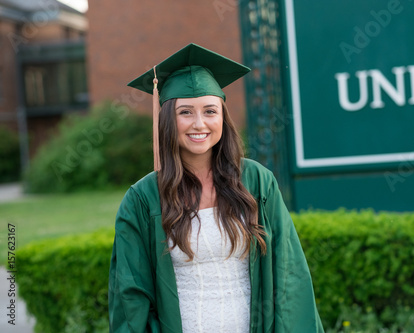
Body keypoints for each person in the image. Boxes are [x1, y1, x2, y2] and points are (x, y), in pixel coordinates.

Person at [108, 43, 324, 333]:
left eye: (210, 111)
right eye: (186, 112)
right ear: (167, 119)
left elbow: (289, 275)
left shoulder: (257, 182)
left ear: (223, 117)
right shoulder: (143, 198)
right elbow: (130, 295)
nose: (199, 123)